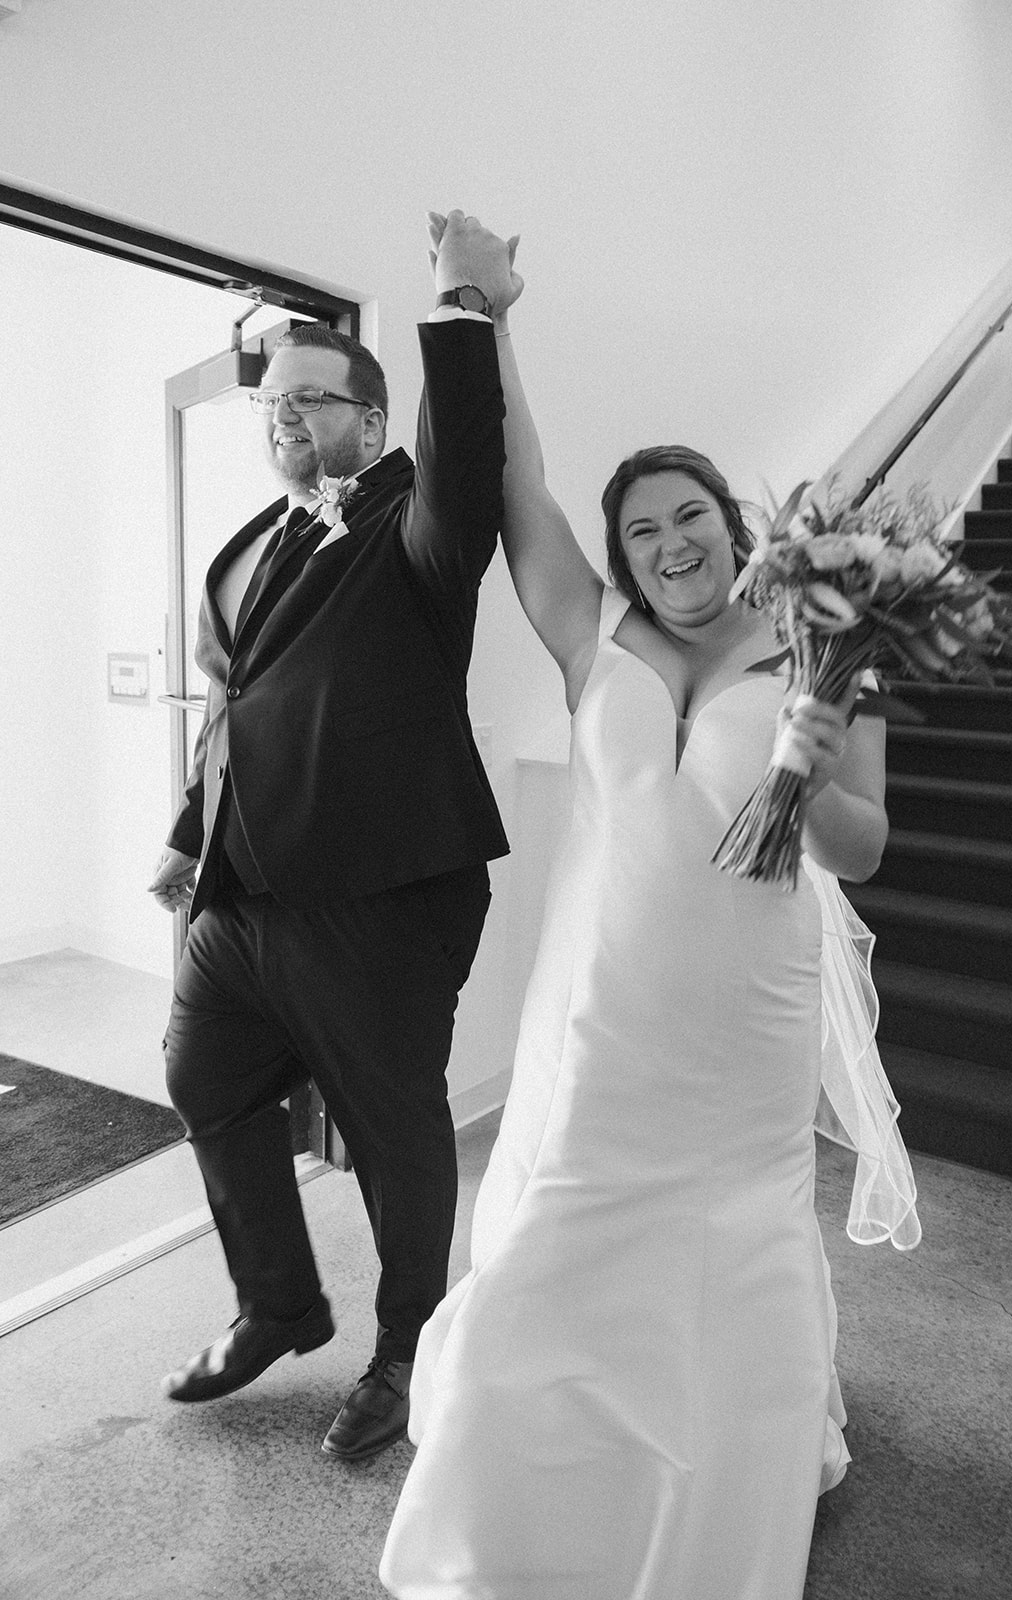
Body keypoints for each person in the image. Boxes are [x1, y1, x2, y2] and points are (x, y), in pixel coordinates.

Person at [379, 222, 919, 1598]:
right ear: (619, 554)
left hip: (742, 1018)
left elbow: (858, 851)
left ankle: (718, 1494)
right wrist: (487, 311)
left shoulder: (822, 647)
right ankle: (510, 1513)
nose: (667, 542)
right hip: (599, 1013)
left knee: (720, 1261)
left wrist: (803, 769)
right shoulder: (587, 635)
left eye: (689, 518)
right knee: (558, 1223)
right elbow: (515, 481)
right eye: (641, 530)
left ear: (730, 535)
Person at [148, 210, 520, 1464]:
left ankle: (409, 1347)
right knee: (203, 1082)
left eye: (312, 400)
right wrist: (185, 831)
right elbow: (231, 706)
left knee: (391, 1128)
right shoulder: (246, 544)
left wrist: (461, 309)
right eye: (272, 401)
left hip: (380, 895)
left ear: (369, 420)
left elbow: (465, 454)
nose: (282, 416)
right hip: (237, 898)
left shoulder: (415, 529)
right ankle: (276, 1303)